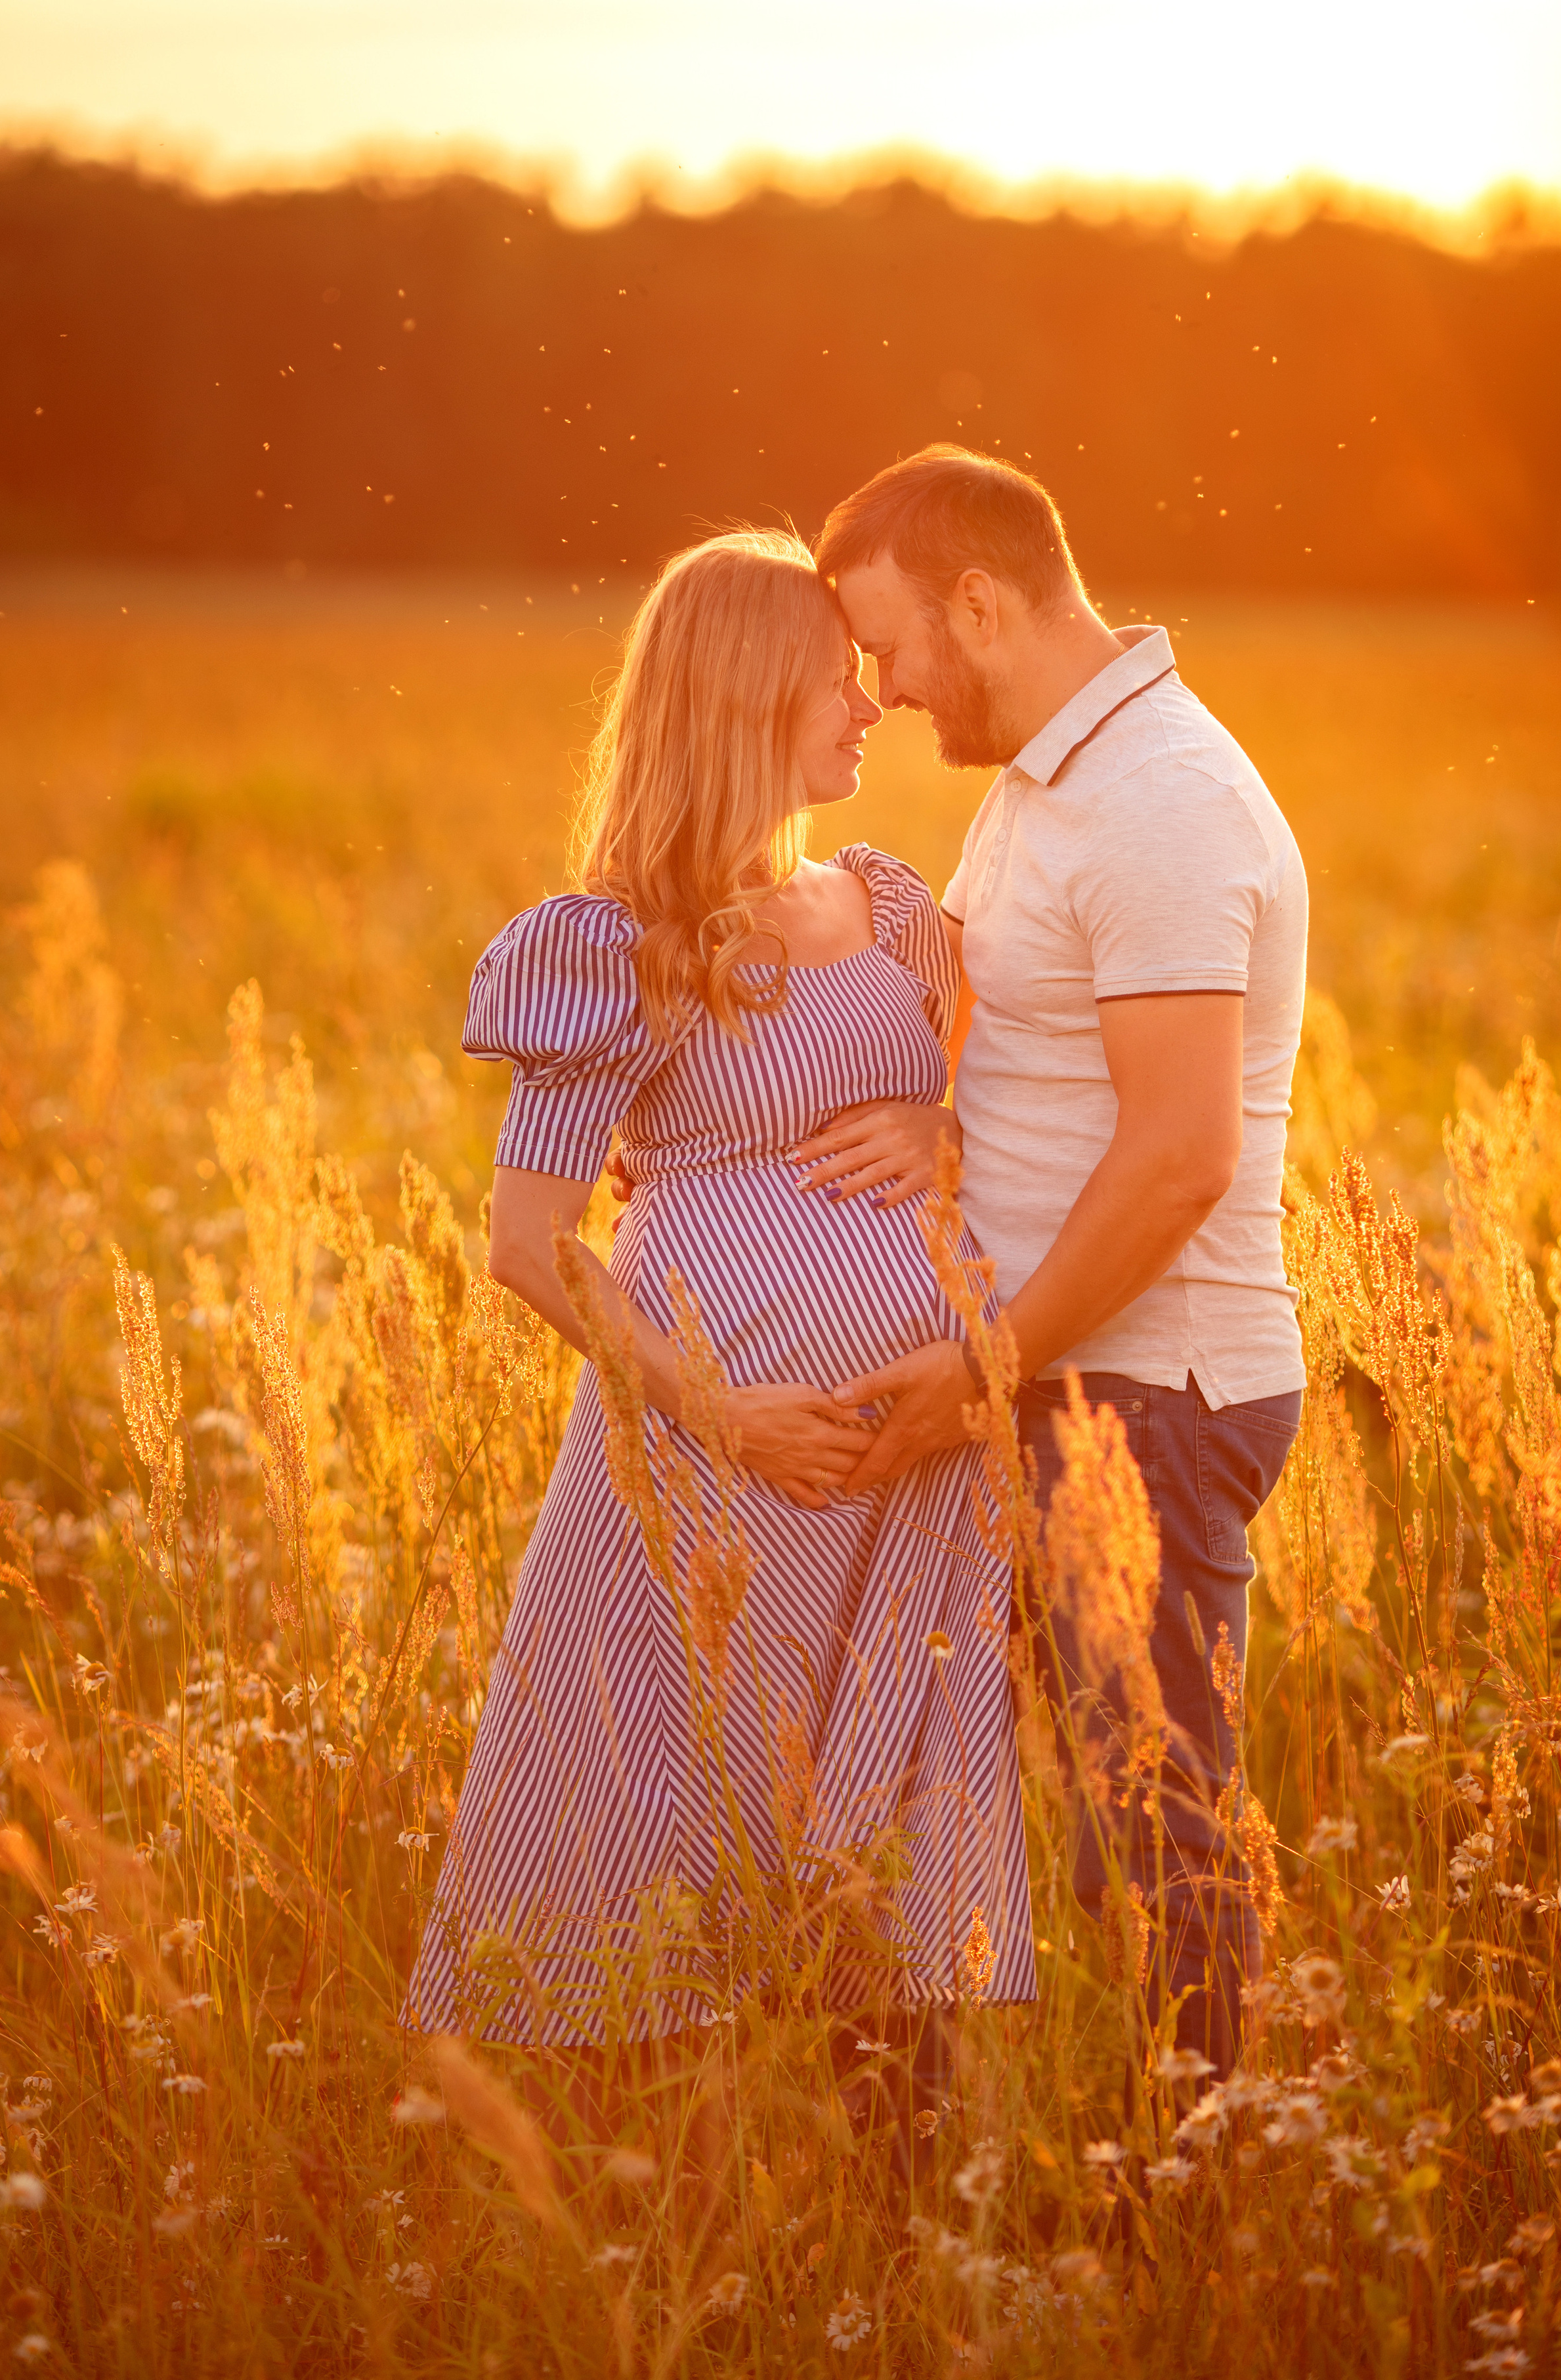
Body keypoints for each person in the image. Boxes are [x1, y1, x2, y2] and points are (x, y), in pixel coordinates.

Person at [402, 528, 1036, 2064]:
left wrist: (946, 1125)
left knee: (890, 1854)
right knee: (661, 1841)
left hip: (905, 1466)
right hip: (709, 1473)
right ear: (747, 697)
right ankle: (659, 2241)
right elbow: (533, 1237)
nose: (868, 703)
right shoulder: (620, 942)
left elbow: (1037, 1099)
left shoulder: (890, 911)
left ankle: (898, 2253)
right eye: (836, 678)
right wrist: (723, 1411)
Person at [799, 446, 1306, 2064]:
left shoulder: (1159, 797)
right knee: (992, 1819)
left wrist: (978, 1368)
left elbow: (1179, 1152)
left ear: (979, 600)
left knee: (1156, 1850)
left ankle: (1199, 2222)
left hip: (1140, 1398)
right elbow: (1040, 1064)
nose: (875, 692)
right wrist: (944, 1137)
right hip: (1055, 1376)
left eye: (888, 647)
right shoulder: (1046, 779)